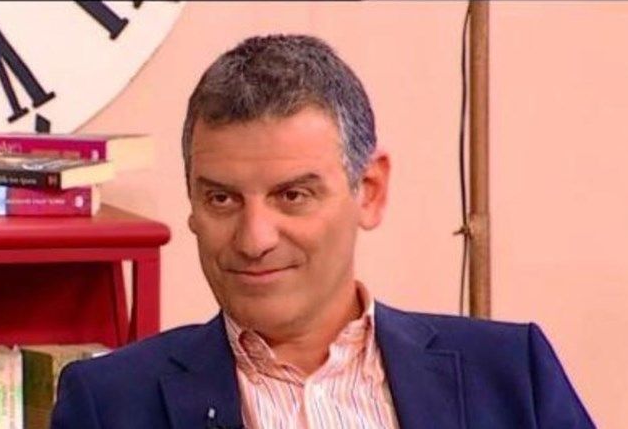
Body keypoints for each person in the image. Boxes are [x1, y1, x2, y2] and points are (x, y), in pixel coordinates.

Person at [51, 34, 595, 429]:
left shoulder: (512, 375)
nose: (254, 239)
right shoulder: (109, 404)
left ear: (370, 190)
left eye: (292, 196)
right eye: (222, 199)